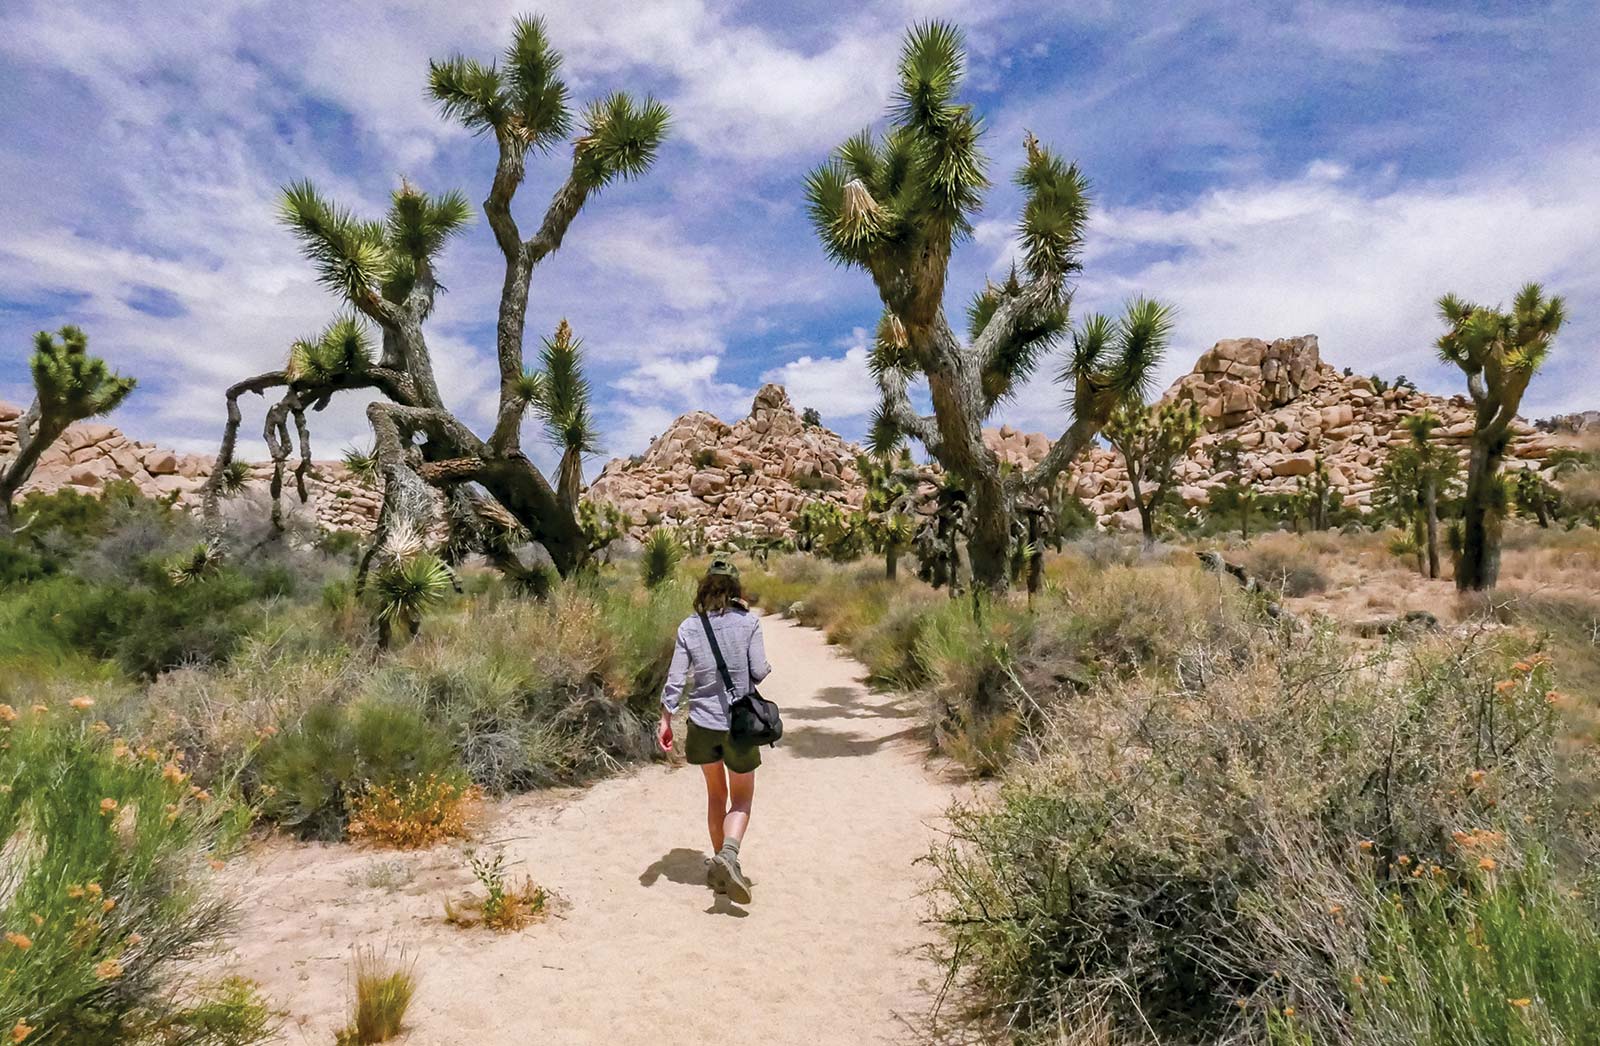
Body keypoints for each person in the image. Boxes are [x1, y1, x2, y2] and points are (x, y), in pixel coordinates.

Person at [658, 556, 770, 904]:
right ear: (736, 590)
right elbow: (759, 670)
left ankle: (721, 870)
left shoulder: (690, 627)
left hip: (703, 724)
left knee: (716, 796)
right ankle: (730, 857)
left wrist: (665, 718)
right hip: (738, 726)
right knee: (742, 798)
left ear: (704, 589)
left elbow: (676, 679)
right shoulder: (749, 623)